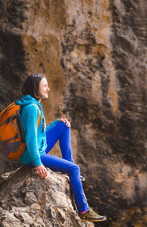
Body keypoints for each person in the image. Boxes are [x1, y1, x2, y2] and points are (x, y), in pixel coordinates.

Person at [16, 73, 107, 222]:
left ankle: (68, 165)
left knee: (63, 125)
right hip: (33, 156)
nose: (48, 89)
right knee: (75, 169)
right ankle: (84, 211)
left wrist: (55, 124)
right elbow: (31, 138)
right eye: (44, 85)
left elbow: (38, 133)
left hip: (37, 149)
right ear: (35, 87)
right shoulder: (32, 108)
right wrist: (38, 163)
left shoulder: (32, 104)